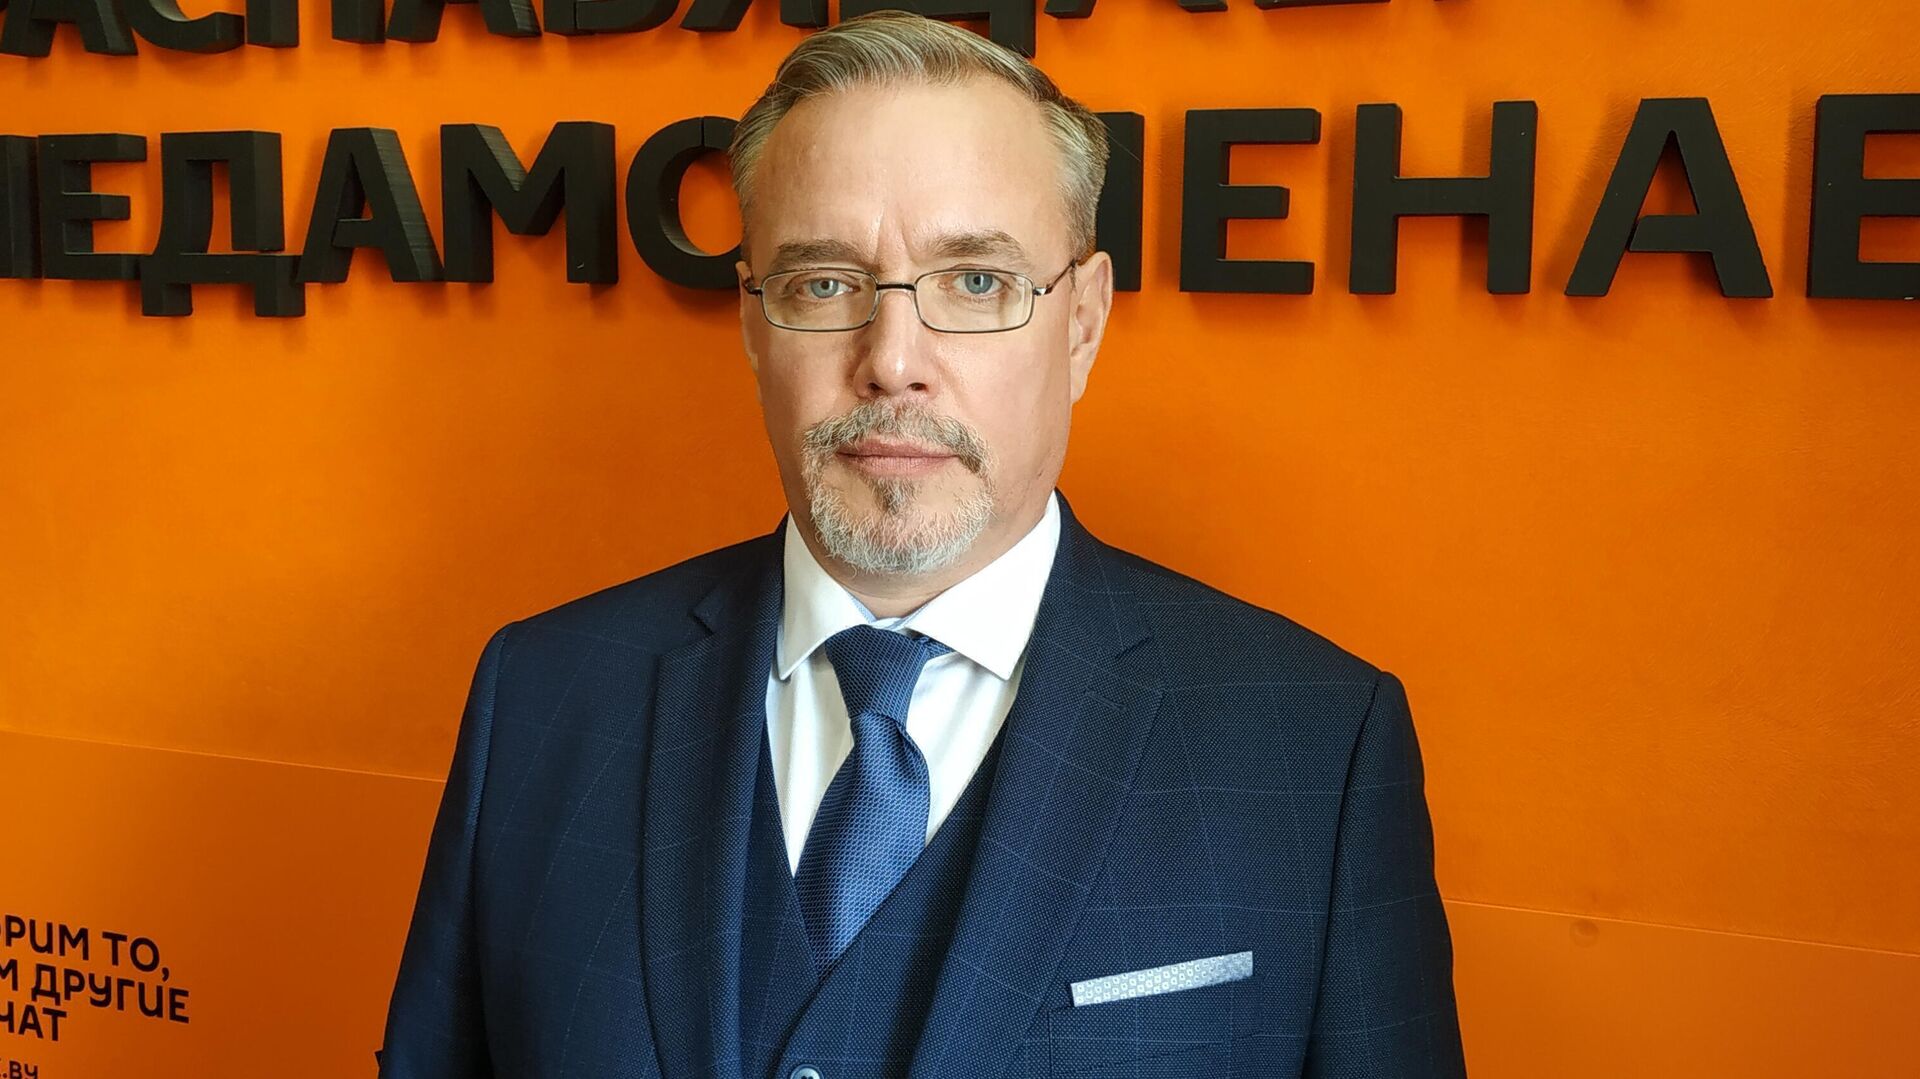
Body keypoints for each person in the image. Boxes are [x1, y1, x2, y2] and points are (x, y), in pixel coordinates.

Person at [376, 10, 1466, 1078]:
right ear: (753, 322)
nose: (892, 360)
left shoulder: (1315, 749)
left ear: (1083, 320)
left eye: (977, 282)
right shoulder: (542, 696)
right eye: (824, 283)